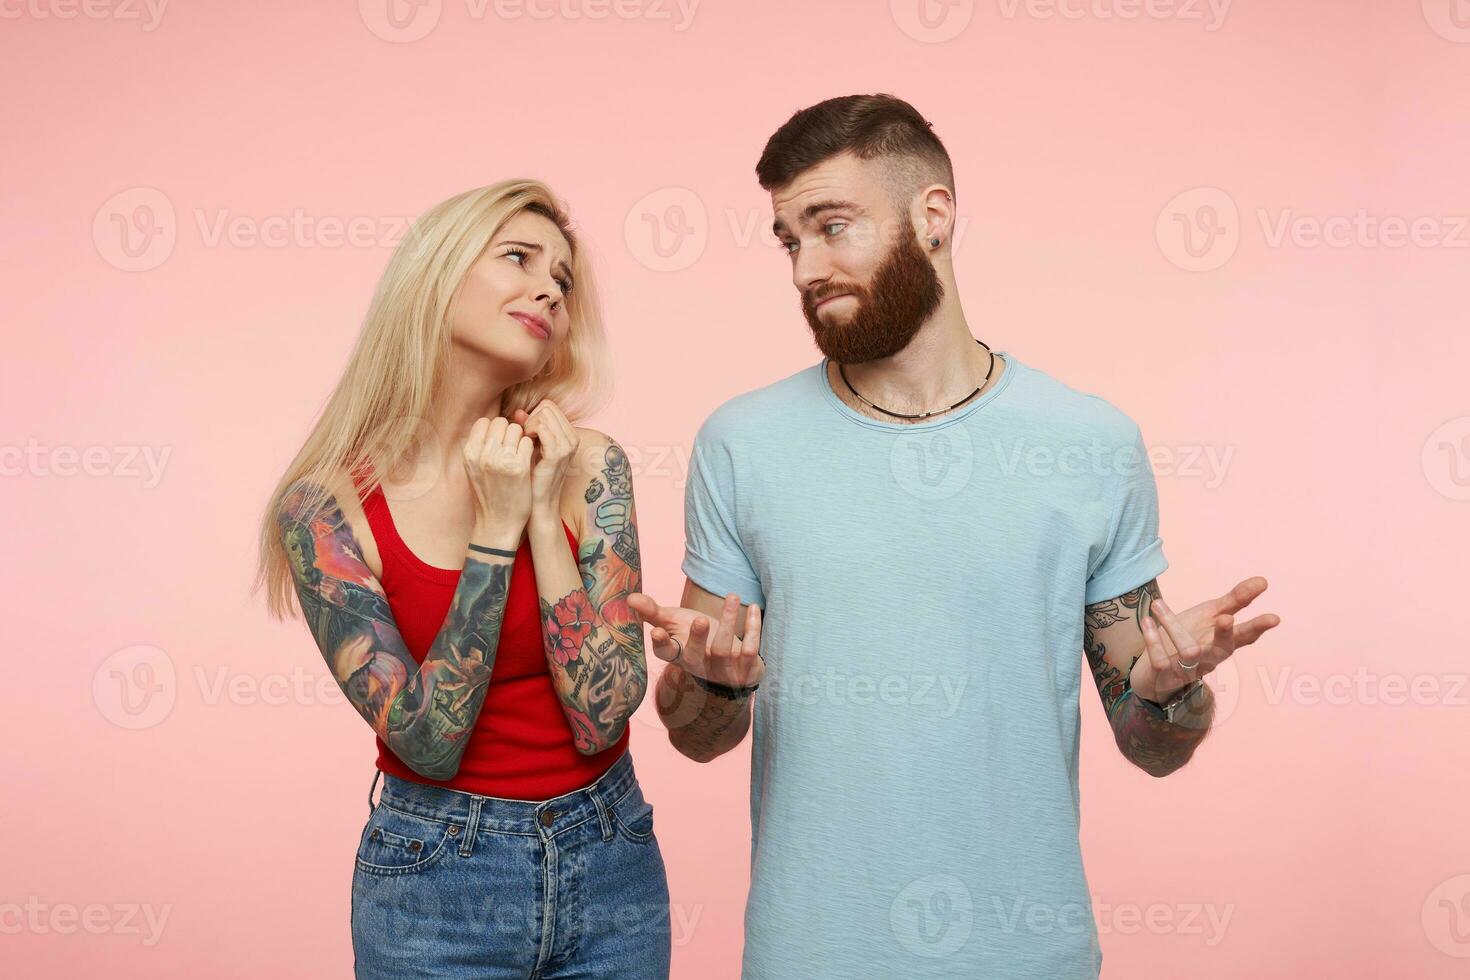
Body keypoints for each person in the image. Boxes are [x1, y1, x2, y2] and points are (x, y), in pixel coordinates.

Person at [627, 94, 1281, 979]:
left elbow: (1151, 743)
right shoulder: (743, 444)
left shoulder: (1089, 442)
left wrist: (1169, 692)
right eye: (789, 240)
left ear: (934, 215)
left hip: (1029, 956)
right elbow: (698, 736)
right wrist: (713, 685)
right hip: (812, 954)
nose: (804, 269)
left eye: (831, 226)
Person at [255, 179, 670, 979]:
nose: (549, 287)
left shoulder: (590, 467)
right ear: (435, 276)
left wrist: (541, 518)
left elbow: (605, 716)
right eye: (518, 257)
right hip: (436, 882)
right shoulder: (323, 513)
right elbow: (428, 741)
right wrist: (493, 532)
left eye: (563, 279)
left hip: (611, 857)